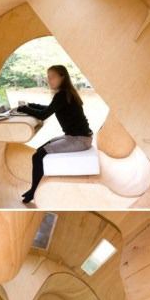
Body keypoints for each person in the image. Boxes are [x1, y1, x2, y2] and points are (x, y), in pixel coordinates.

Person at [17, 64, 93, 204]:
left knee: (38, 155)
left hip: (79, 139)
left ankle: (34, 191)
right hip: (75, 136)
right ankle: (35, 188)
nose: (49, 80)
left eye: (52, 77)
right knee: (41, 149)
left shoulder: (62, 95)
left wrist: (24, 109)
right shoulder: (65, 94)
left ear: (62, 77)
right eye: (48, 77)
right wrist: (29, 105)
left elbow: (44, 114)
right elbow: (50, 108)